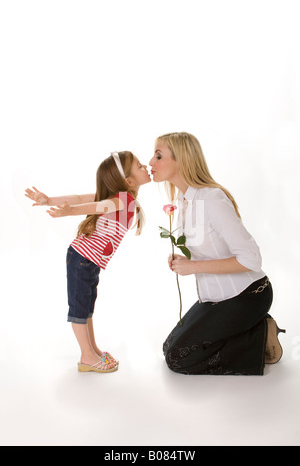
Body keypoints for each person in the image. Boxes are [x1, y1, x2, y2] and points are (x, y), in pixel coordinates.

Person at [149, 132, 285, 375]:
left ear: (181, 159)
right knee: (169, 347)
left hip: (247, 295)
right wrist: (187, 261)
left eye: (158, 156)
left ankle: (261, 333)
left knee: (178, 360)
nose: (151, 163)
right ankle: (252, 328)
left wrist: (195, 267)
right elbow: (208, 251)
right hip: (216, 298)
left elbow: (251, 258)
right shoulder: (183, 200)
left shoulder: (212, 198)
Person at [25, 151, 151, 373]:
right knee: (79, 309)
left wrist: (55, 202)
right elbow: (92, 206)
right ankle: (86, 357)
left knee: (87, 305)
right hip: (82, 259)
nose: (146, 167)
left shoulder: (122, 198)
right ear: (129, 181)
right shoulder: (120, 200)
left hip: (88, 262)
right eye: (140, 165)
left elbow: (81, 198)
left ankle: (93, 350)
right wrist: (64, 209)